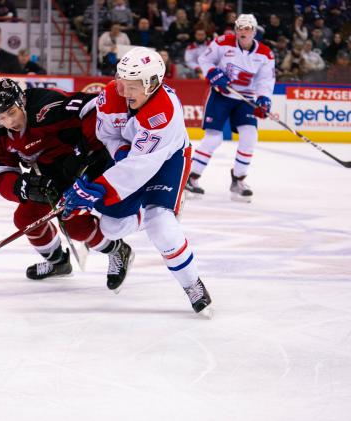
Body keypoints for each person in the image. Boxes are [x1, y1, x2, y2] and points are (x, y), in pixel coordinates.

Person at [61, 47, 212, 314]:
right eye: (121, 83)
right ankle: (141, 217)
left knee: (161, 225)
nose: (123, 92)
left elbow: (141, 166)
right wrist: (117, 154)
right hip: (130, 161)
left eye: (132, 87)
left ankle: (192, 284)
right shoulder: (110, 95)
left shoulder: (163, 112)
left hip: (168, 161)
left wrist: (99, 187)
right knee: (110, 227)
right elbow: (107, 135)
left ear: (152, 83)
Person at [0, 78, 133, 290]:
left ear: (22, 102)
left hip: (90, 164)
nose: (8, 122)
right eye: (0, 117)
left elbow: (94, 106)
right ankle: (58, 262)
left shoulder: (46, 106)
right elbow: (2, 170)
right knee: (26, 217)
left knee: (74, 225)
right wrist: (22, 187)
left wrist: (83, 150)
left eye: (11, 113)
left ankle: (117, 249)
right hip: (52, 175)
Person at [185, 14, 275, 202]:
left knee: (250, 136)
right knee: (213, 138)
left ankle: (239, 179)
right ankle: (191, 177)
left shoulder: (265, 54)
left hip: (246, 98)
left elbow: (265, 80)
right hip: (222, 95)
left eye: (247, 28)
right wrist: (214, 73)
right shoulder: (223, 42)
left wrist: (264, 100)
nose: (243, 31)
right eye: (240, 28)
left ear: (254, 31)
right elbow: (205, 60)